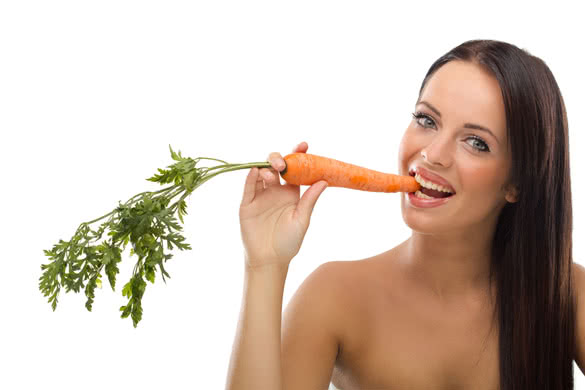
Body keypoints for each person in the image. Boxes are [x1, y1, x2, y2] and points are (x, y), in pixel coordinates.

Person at [225, 39, 585, 390]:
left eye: (476, 142)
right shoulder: (335, 295)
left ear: (516, 183)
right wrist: (264, 265)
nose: (433, 154)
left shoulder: (567, 293)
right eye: (427, 120)